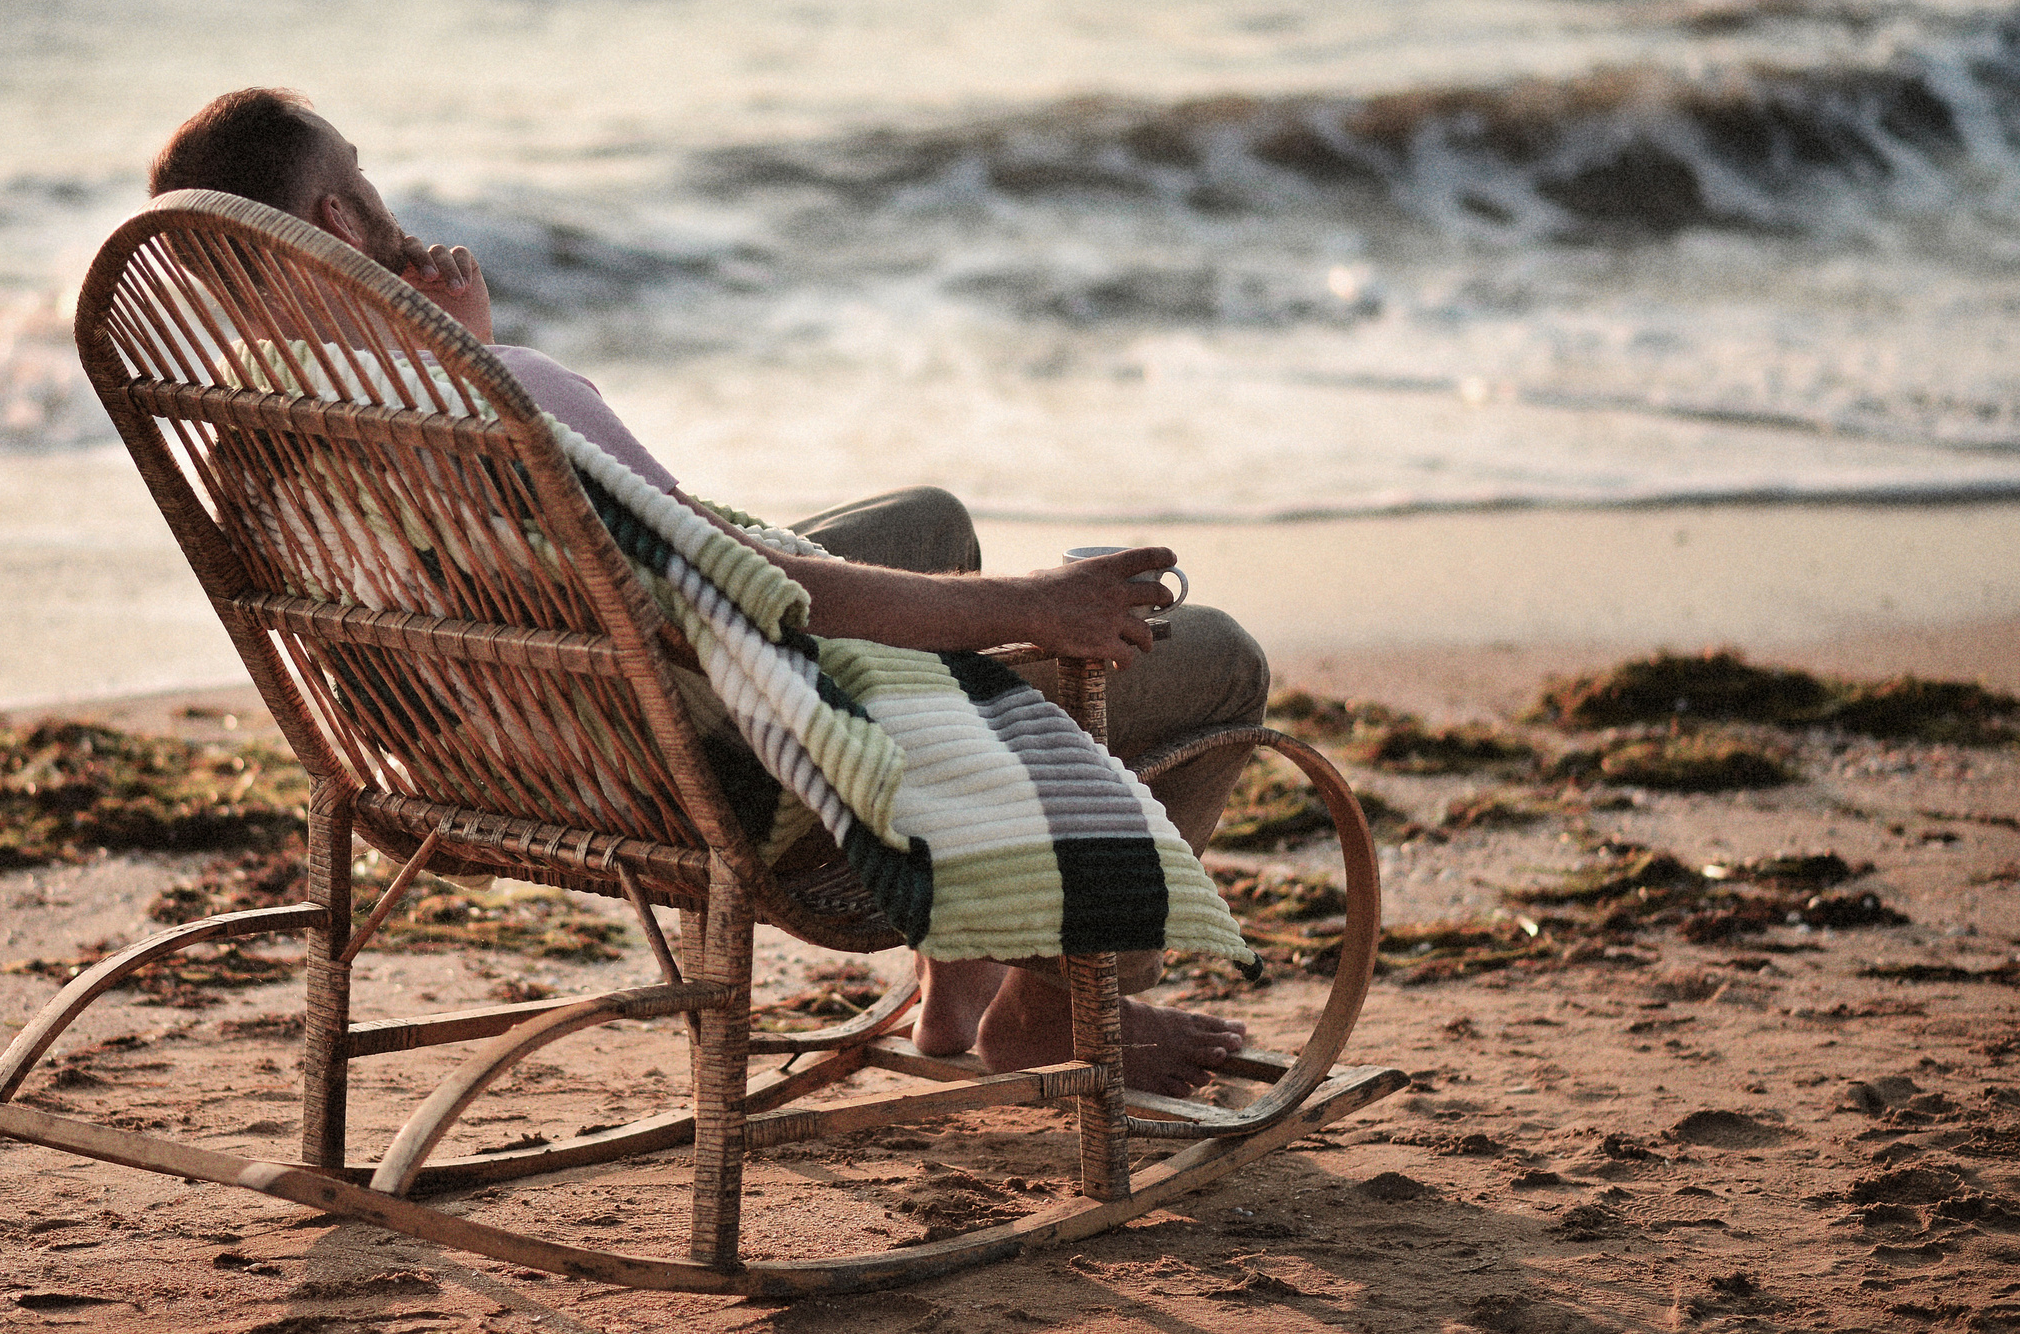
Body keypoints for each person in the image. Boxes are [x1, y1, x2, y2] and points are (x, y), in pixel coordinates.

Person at [148, 88, 1271, 1097]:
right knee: (1212, 655)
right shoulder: (484, 400)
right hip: (714, 778)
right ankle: (1056, 1009)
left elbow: (530, 573)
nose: (384, 194)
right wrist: (1031, 605)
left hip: (490, 756)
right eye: (361, 170)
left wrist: (458, 351)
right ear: (340, 223)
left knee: (929, 522)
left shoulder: (262, 427)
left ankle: (958, 991)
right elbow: (735, 585)